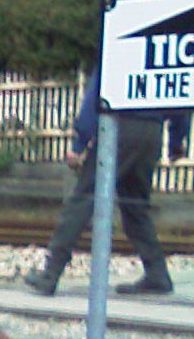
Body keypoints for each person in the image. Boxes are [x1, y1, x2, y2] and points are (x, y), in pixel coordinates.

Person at [24, 70, 188, 296]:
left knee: (83, 199)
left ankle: (50, 274)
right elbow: (177, 91)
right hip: (152, 133)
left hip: (120, 126)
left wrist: (79, 143)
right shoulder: (155, 54)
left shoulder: (116, 52)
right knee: (135, 207)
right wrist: (177, 140)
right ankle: (157, 274)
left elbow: (97, 93)